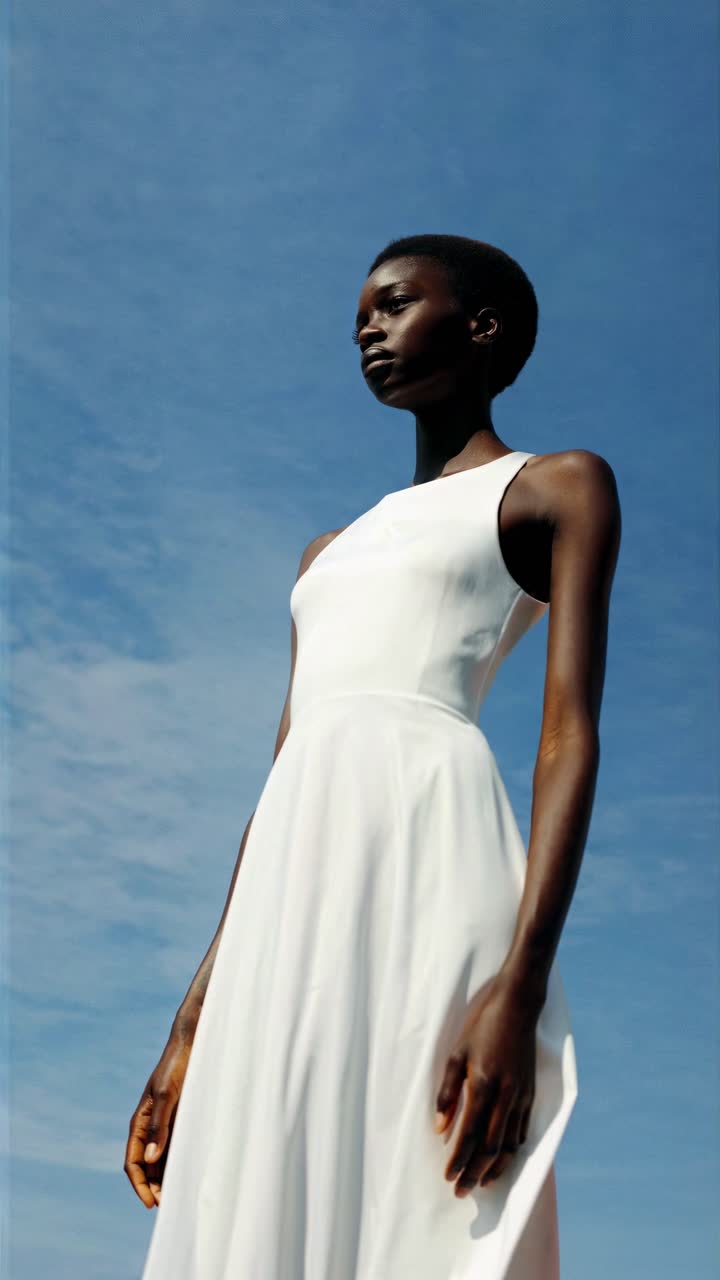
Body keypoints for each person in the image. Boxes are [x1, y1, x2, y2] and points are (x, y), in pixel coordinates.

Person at [126, 233, 621, 1278]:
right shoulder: (327, 552)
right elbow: (285, 769)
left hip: (429, 853)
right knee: (260, 1172)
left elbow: (568, 731)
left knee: (421, 1184)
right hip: (289, 888)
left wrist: (520, 984)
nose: (368, 327)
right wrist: (189, 1022)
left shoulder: (558, 486)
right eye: (362, 312)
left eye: (395, 304)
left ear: (480, 327)